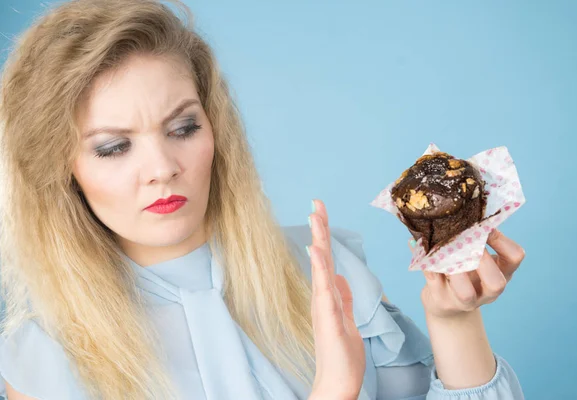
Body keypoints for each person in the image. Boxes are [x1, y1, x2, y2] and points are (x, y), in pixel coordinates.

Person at [0, 0, 526, 399]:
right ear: (59, 171)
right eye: (114, 147)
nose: (162, 168)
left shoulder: (324, 271)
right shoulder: (44, 355)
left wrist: (453, 320)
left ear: (215, 132)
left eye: (183, 127)